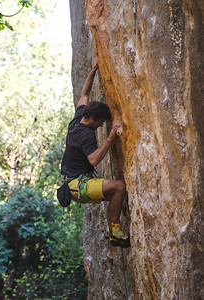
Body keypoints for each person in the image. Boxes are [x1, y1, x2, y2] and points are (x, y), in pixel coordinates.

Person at [60, 61, 130, 248]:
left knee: (113, 195)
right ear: (91, 118)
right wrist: (109, 139)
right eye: (99, 122)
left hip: (74, 183)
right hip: (77, 185)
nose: (100, 125)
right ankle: (115, 230)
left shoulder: (78, 118)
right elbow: (93, 159)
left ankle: (114, 232)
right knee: (118, 187)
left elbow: (84, 93)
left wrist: (93, 70)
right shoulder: (86, 135)